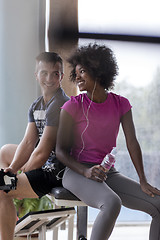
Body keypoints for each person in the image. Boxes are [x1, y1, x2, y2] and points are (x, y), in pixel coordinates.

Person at [56, 43, 160, 240]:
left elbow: (132, 142)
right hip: (76, 172)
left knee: (158, 205)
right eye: (75, 72)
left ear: (99, 71)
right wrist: (85, 171)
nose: (77, 77)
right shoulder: (72, 106)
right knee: (112, 202)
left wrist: (143, 180)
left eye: (83, 71)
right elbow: (60, 151)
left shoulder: (121, 104)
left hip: (106, 173)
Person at [0, 52, 69, 240]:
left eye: (55, 73)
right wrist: (12, 169)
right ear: (36, 75)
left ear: (61, 76)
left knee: (2, 190)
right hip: (46, 161)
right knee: (5, 151)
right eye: (44, 73)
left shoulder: (60, 104)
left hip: (56, 171)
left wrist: (15, 181)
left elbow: (41, 153)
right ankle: (9, 212)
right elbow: (29, 142)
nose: (49, 78)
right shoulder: (37, 105)